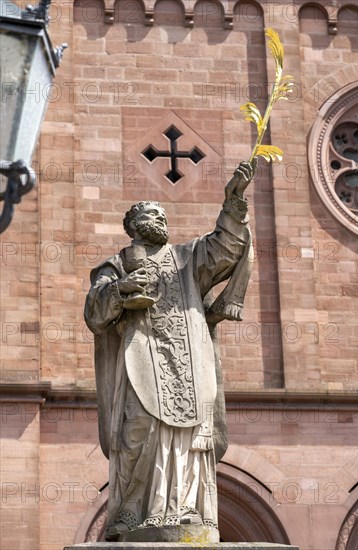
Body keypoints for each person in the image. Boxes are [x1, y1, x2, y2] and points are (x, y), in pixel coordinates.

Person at [84, 161, 256, 542]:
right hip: (140, 360)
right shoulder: (116, 265)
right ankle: (131, 509)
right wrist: (123, 290)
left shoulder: (187, 259)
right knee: (137, 431)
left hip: (190, 362)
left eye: (161, 213)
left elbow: (226, 248)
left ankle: (186, 507)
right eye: (149, 213)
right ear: (132, 225)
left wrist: (233, 201)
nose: (158, 216)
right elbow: (94, 312)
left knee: (192, 433)